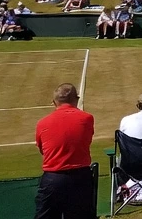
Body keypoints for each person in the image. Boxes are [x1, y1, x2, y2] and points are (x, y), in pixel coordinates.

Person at [34, 83, 95, 219]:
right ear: (76, 99)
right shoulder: (87, 118)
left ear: (54, 102)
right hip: (80, 177)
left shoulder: (42, 123)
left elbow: (42, 149)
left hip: (53, 178)